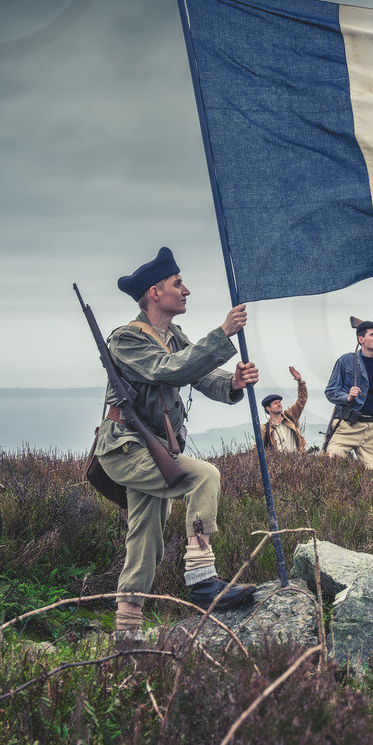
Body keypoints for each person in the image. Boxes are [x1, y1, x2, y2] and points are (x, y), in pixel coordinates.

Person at [97, 247, 259, 631]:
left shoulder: (174, 336)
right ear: (155, 292)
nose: (186, 290)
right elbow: (167, 370)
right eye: (177, 283)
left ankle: (127, 627)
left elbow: (200, 376)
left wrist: (231, 383)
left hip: (156, 451)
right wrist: (222, 334)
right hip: (126, 448)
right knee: (206, 476)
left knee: (145, 537)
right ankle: (202, 579)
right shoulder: (126, 339)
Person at [323, 320, 373, 470]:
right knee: (331, 463)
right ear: (361, 339)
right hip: (347, 425)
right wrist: (347, 397)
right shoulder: (345, 361)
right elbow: (330, 391)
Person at [260, 366, 308, 455]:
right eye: (275, 403)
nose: (279, 404)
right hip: (279, 465)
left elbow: (302, 399)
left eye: (279, 402)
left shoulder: (291, 415)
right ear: (268, 408)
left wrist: (300, 381)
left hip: (298, 461)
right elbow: (257, 450)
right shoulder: (265, 428)